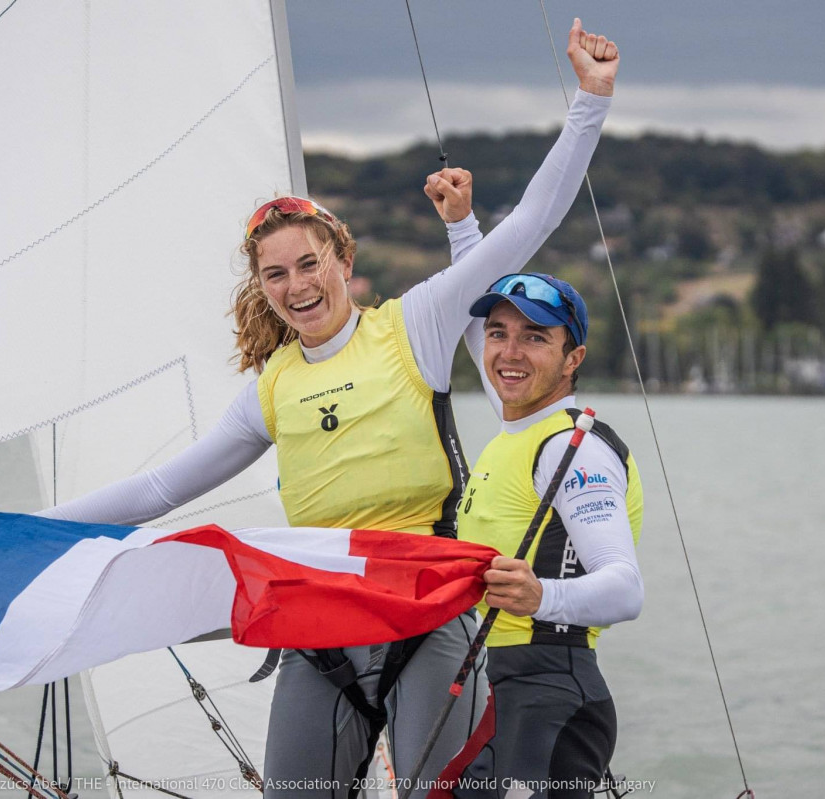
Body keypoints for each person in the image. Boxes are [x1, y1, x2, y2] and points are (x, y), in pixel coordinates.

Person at [39, 18, 619, 798]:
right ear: (262, 287)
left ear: (342, 261)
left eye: (309, 264)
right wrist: (38, 531)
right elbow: (157, 491)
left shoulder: (415, 324)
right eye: (275, 275)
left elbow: (529, 224)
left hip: (428, 615)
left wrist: (590, 102)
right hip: (321, 635)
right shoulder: (269, 387)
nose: (296, 285)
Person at [446, 272, 643, 799]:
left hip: (552, 692)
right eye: (497, 332)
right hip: (500, 688)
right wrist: (460, 225)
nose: (510, 352)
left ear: (572, 358)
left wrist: (542, 595)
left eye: (535, 336)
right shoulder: (513, 433)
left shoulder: (569, 446)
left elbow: (626, 588)